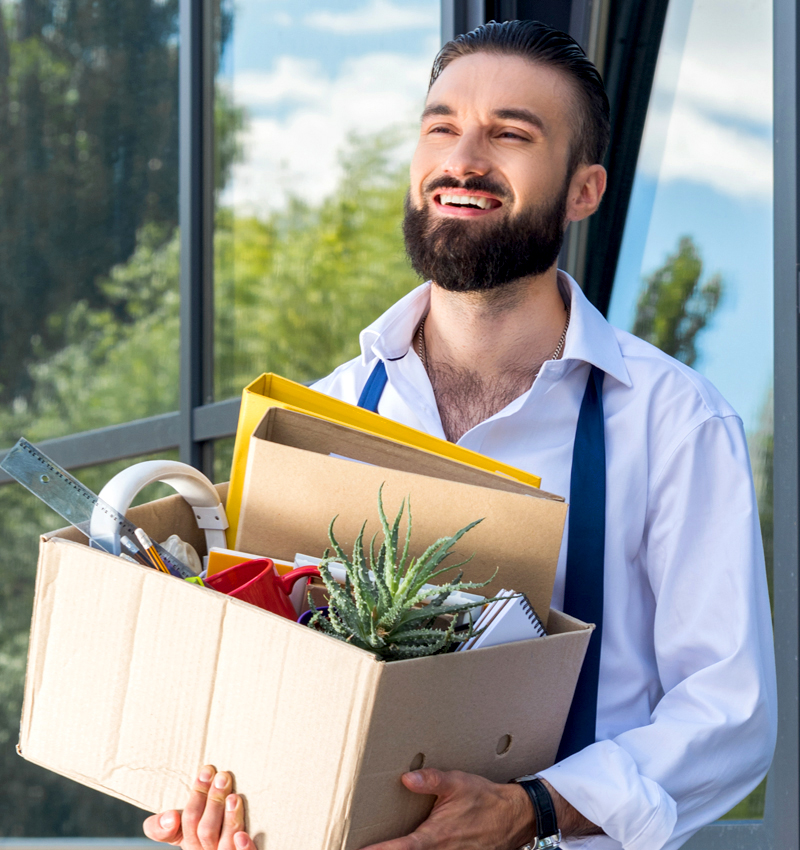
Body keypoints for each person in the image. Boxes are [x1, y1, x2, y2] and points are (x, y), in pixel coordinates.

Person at [143, 20, 777, 850]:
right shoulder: (321, 418)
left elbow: (729, 714)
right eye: (441, 126)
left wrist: (533, 809)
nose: (463, 159)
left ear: (585, 191)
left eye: (510, 134)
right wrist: (224, 797)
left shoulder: (673, 422)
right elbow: (262, 665)